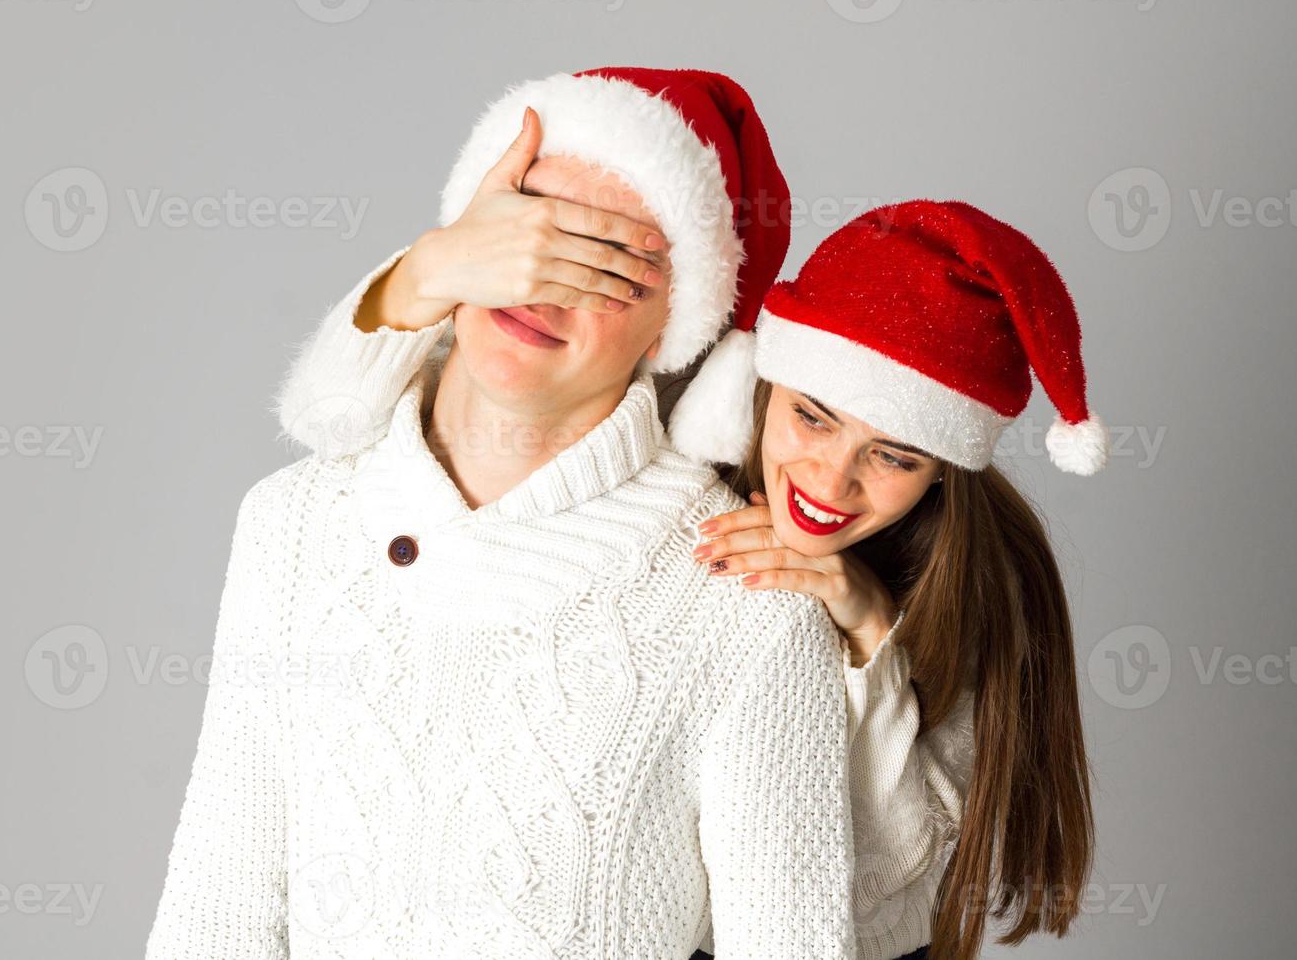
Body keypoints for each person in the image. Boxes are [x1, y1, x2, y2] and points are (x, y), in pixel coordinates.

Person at [145, 67, 860, 960]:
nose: (542, 286)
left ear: (681, 322)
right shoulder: (293, 527)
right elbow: (217, 906)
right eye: (527, 233)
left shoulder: (744, 601)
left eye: (614, 264)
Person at [277, 196, 1106, 960]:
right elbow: (373, 408)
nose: (829, 479)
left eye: (893, 456)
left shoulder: (977, 581)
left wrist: (867, 632)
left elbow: (882, 884)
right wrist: (425, 270)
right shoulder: (665, 441)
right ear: (765, 381)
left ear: (941, 473)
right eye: (810, 417)